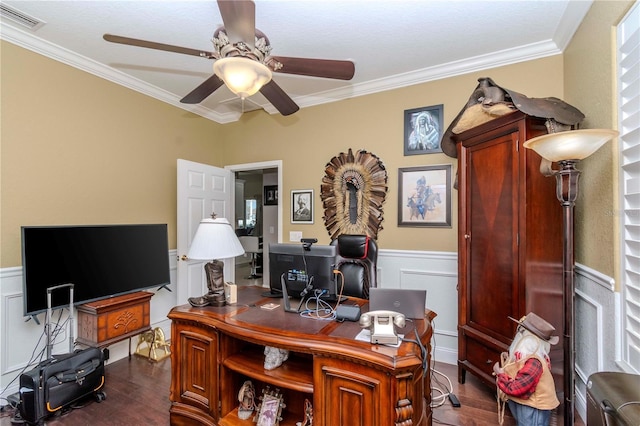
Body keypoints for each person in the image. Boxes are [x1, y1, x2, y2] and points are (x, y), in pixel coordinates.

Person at [492, 312, 560, 426]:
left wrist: (500, 373)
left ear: (527, 339)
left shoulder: (534, 362)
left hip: (533, 407)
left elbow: (516, 388)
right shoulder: (526, 356)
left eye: (521, 331)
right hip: (525, 403)